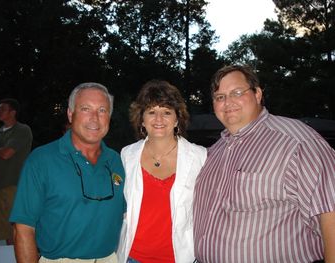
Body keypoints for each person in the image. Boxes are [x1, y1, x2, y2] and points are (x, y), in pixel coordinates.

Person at [193, 65, 335, 263]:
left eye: (237, 92)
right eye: (220, 97)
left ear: (258, 94)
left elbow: (330, 213)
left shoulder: (296, 142)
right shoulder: (212, 152)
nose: (228, 102)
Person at [10, 83, 125, 263]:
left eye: (102, 110)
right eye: (85, 109)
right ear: (71, 114)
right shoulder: (42, 160)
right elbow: (23, 228)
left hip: (109, 258)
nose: (94, 118)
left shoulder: (117, 161)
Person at [117, 80, 207, 263]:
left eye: (166, 112)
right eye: (151, 112)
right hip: (133, 257)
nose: (159, 119)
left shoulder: (199, 157)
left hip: (180, 257)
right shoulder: (127, 155)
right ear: (142, 119)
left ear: (177, 119)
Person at [0, 98, 32, 245]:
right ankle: (10, 256)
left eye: (2, 108)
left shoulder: (22, 130)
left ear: (13, 112)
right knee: (4, 228)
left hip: (15, 184)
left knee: (18, 226)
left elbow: (7, 153)